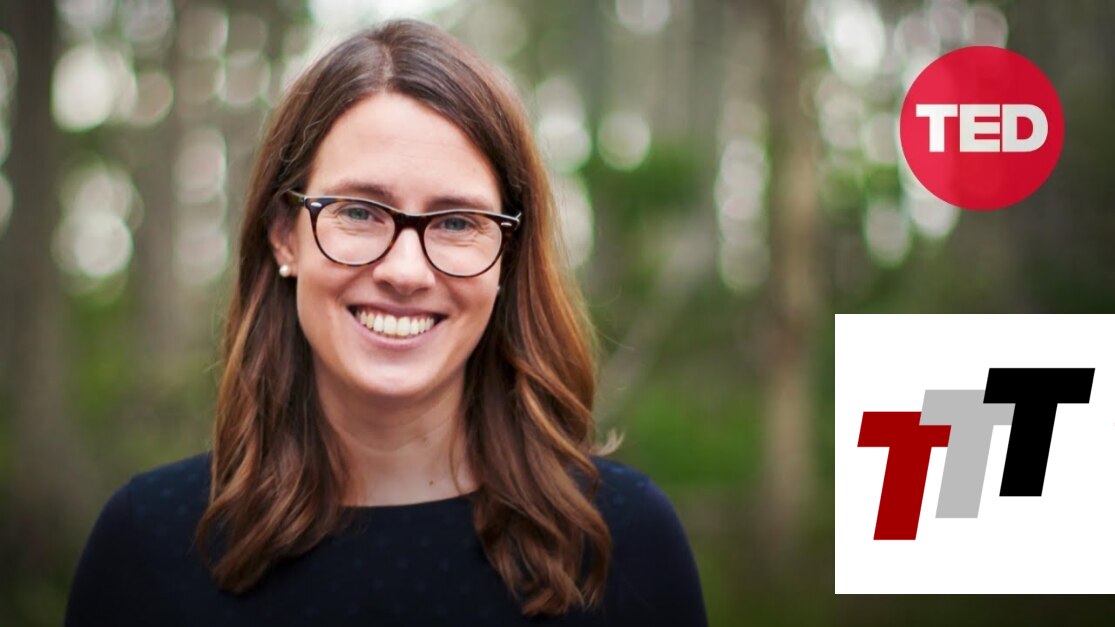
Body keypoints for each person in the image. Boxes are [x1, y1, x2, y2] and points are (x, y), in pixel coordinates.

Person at [65, 19, 707, 626]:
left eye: (456, 222)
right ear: (285, 234)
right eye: (359, 212)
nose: (405, 270)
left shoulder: (622, 541)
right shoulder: (146, 543)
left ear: (506, 257)